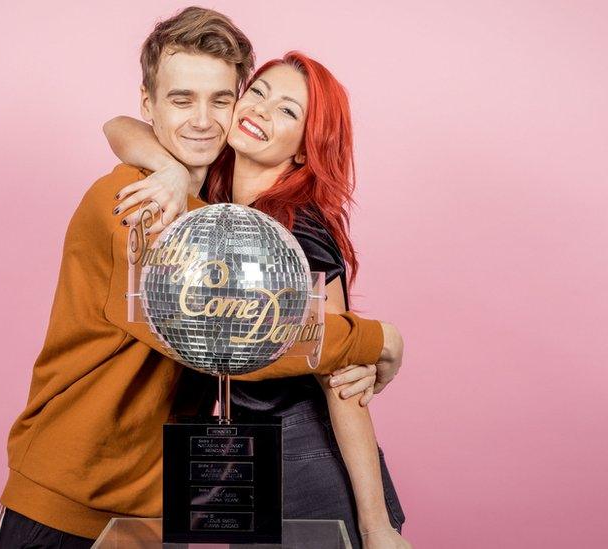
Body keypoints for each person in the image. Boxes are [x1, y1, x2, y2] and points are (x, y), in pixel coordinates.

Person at [0, 8, 401, 549]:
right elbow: (238, 342)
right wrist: (381, 339)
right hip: (69, 506)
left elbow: (127, 127)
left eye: (222, 100)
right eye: (181, 99)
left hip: (166, 505)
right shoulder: (138, 204)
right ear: (150, 105)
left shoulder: (218, 215)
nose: (203, 120)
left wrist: (377, 527)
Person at [103, 51, 410, 548]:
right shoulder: (212, 202)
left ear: (307, 149)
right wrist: (172, 171)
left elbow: (338, 377)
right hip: (231, 456)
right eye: (258, 93)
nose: (261, 111)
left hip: (300, 458)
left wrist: (377, 528)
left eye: (288, 111)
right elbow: (118, 127)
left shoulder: (297, 230)